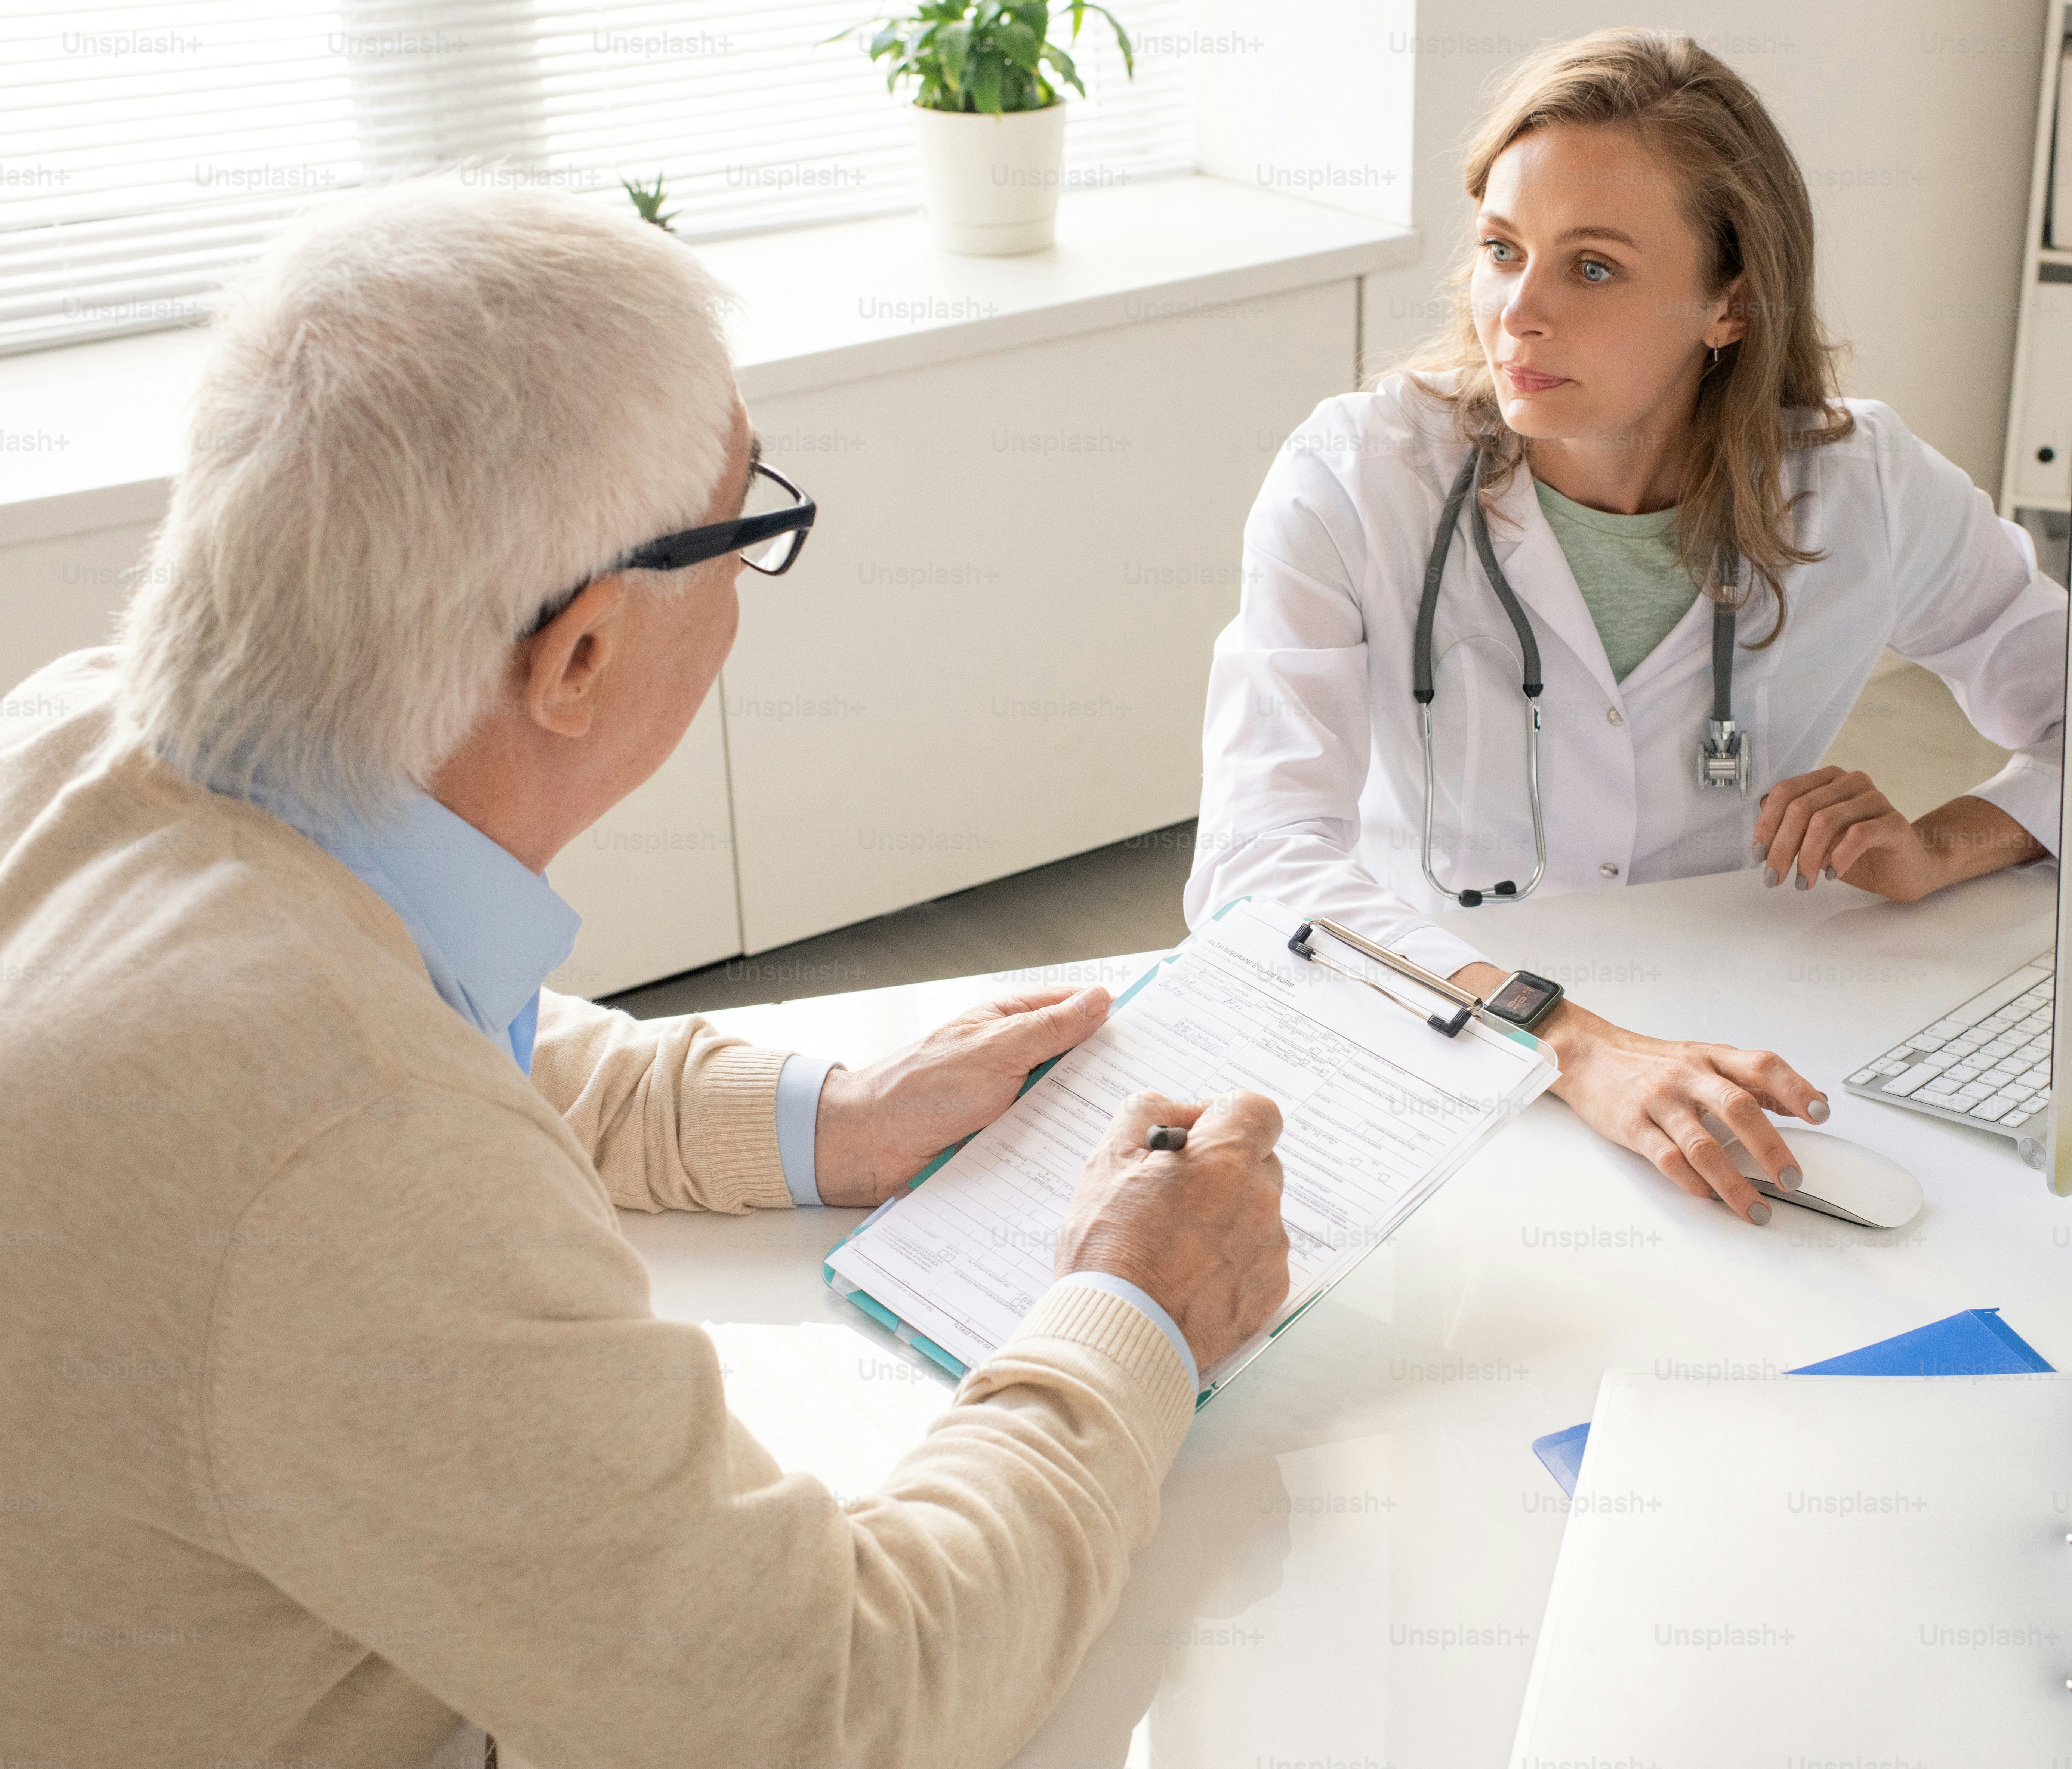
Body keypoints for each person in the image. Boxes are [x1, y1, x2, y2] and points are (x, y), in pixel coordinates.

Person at [0, 178, 1289, 1769]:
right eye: (752, 522)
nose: (751, 582)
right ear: (580, 656)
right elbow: (841, 1703)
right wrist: (1134, 1310)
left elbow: (393, 1039)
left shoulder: (75, 734)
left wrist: (832, 1111)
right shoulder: (352, 1159)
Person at [1187, 28, 2065, 1225]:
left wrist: (1944, 846)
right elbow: (1256, 868)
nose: (1518, 315)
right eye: (1502, 251)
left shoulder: (1860, 484)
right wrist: (1574, 1044)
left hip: (1751, 1022)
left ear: (1730, 302)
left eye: (1590, 269)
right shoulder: (1354, 479)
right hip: (1435, 1020)